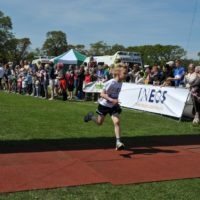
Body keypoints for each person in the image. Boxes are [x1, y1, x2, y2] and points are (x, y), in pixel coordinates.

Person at [84, 63, 127, 150]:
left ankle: (118, 142)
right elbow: (102, 94)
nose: (126, 75)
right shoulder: (111, 82)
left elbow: (115, 94)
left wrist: (116, 102)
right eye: (125, 73)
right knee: (99, 123)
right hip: (104, 105)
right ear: (118, 73)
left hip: (113, 106)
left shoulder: (121, 83)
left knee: (117, 121)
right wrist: (112, 100)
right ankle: (91, 116)